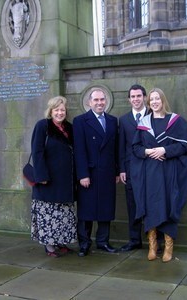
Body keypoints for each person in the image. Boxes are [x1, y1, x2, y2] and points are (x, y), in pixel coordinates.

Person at [131, 88, 187, 262]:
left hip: (170, 170)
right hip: (150, 172)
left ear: (163, 100)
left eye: (157, 98)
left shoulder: (176, 121)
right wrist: (149, 151)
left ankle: (168, 246)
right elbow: (135, 148)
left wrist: (165, 149)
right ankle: (152, 245)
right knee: (151, 205)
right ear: (148, 103)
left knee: (169, 204)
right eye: (152, 100)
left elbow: (183, 147)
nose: (155, 102)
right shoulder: (143, 123)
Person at [73, 88, 120, 257]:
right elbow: (79, 150)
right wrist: (82, 174)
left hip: (107, 172)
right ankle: (84, 244)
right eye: (96, 100)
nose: (100, 103)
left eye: (102, 100)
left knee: (106, 209)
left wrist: (117, 170)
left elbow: (116, 148)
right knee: (86, 211)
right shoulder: (80, 121)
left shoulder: (113, 121)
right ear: (89, 102)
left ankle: (103, 242)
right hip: (89, 173)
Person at [30, 96, 77, 258]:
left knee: (63, 215)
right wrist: (41, 175)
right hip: (48, 180)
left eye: (62, 110)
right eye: (56, 110)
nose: (60, 113)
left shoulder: (70, 128)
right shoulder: (43, 126)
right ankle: (49, 247)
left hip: (65, 180)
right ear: (51, 111)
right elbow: (37, 152)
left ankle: (61, 242)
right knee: (48, 215)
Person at [118, 84, 148, 251]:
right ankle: (135, 240)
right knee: (132, 205)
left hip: (150, 167)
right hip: (130, 169)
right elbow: (121, 146)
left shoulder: (154, 115)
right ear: (129, 99)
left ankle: (153, 240)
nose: (136, 99)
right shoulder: (123, 120)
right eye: (133, 97)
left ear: (144, 97)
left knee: (151, 204)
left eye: (139, 96)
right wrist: (122, 169)